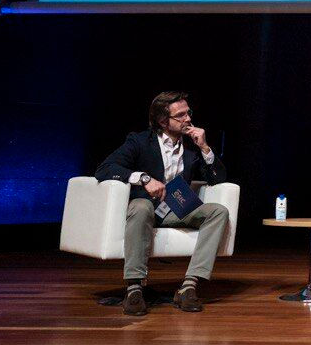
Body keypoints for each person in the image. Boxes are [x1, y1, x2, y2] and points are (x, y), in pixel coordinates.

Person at [95, 92, 230, 316]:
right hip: (145, 206)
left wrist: (205, 148)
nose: (188, 119)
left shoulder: (191, 147)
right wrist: (144, 178)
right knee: (140, 206)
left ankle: (189, 286)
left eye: (188, 113)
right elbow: (105, 169)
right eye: (181, 115)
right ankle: (135, 288)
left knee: (218, 211)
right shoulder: (139, 141)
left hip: (177, 208)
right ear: (162, 121)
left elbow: (218, 179)